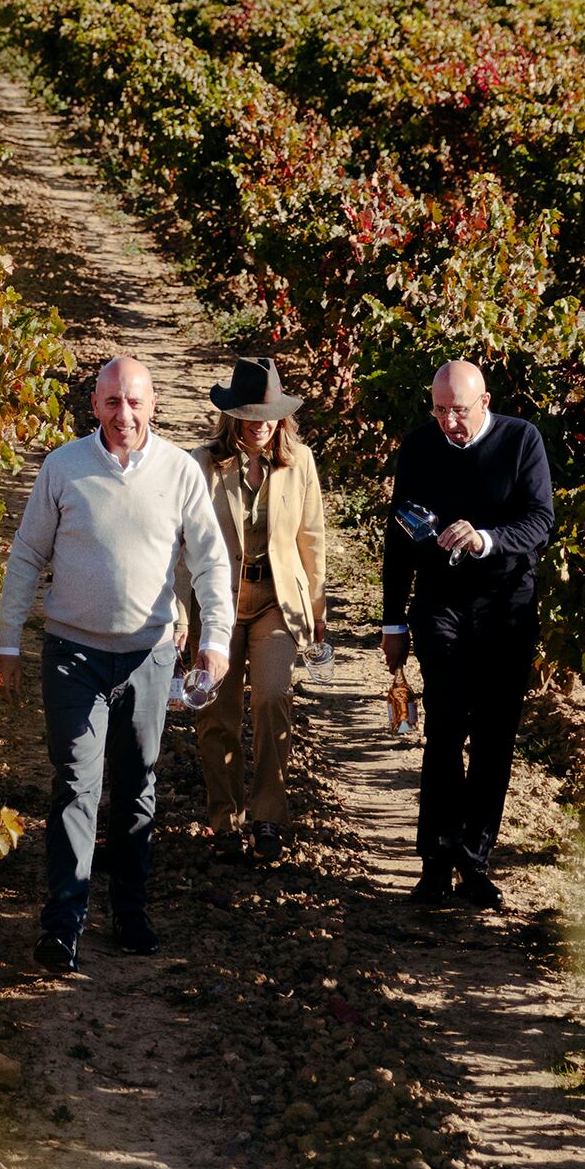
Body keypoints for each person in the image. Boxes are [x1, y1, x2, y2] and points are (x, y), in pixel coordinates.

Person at [0, 353, 233, 974]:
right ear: (94, 407)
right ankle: (63, 924)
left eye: (134, 402)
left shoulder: (181, 473)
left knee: (137, 787)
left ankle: (130, 914)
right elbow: (25, 557)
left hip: (149, 656)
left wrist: (217, 640)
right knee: (76, 783)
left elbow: (209, 561)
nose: (123, 414)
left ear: (153, 405)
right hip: (73, 653)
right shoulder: (64, 468)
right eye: (111, 402)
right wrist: (9, 641)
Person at [380, 358, 553, 910]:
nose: (447, 421)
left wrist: (484, 539)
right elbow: (400, 532)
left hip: (506, 607)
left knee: (495, 735)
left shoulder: (521, 441)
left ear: (484, 403)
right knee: (446, 725)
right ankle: (435, 862)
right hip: (441, 606)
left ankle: (475, 863)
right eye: (438, 409)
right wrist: (392, 619)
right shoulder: (420, 446)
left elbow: (540, 520)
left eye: (457, 410)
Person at [185, 355, 327, 864]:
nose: (260, 425)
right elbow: (182, 545)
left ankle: (268, 817)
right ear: (232, 416)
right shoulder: (201, 464)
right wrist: (183, 617)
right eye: (249, 414)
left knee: (271, 700)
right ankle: (224, 819)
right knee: (217, 714)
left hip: (274, 603)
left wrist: (317, 608)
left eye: (268, 415)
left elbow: (312, 538)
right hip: (219, 603)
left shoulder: (299, 462)